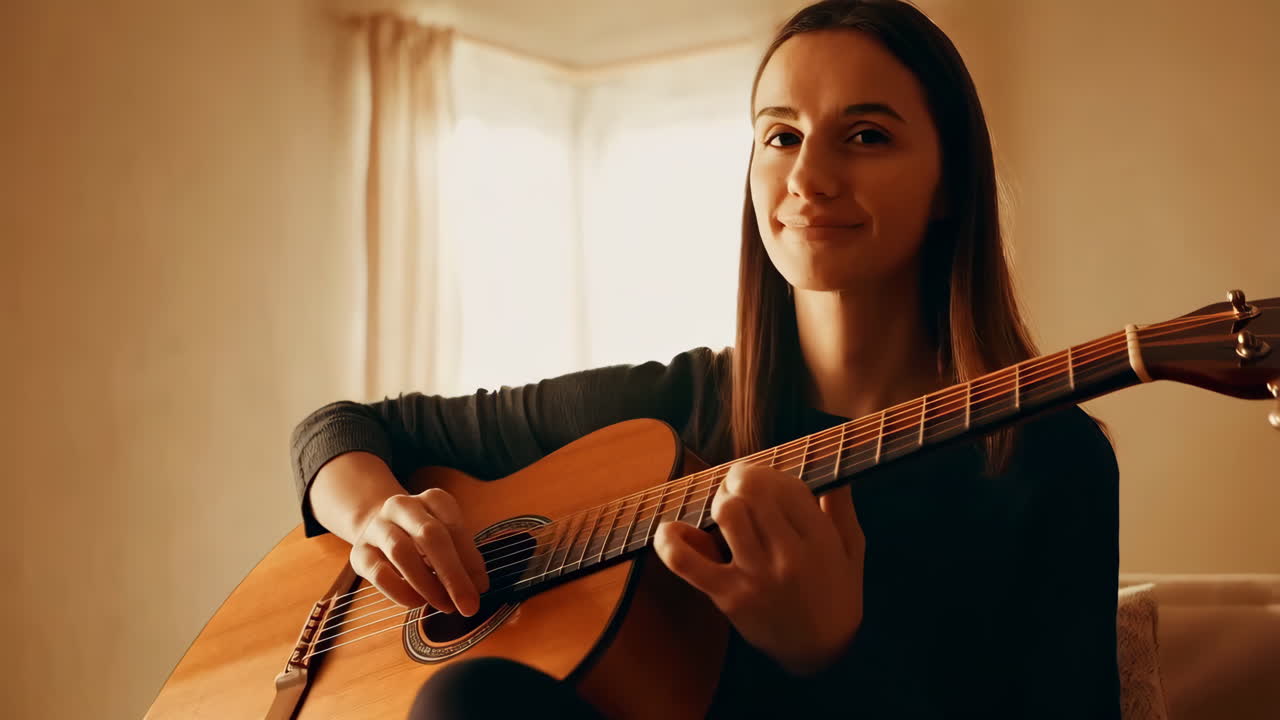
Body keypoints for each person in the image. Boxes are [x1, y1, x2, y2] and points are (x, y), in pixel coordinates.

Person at [288, 0, 1121, 717]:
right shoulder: (670, 409)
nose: (809, 176)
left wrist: (831, 658)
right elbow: (345, 428)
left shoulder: (1051, 462)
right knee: (464, 698)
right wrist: (376, 521)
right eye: (781, 136)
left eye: (866, 135)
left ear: (950, 184)